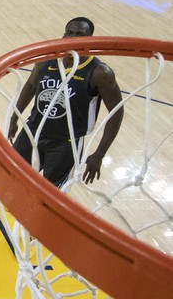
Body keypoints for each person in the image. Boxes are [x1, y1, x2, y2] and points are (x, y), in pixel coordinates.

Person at [7, 17, 124, 187]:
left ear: (90, 39)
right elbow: (31, 86)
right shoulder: (46, 59)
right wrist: (14, 118)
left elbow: (117, 112)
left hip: (66, 143)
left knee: (50, 193)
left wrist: (99, 154)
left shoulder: (100, 72)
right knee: (11, 176)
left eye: (79, 34)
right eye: (69, 33)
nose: (72, 37)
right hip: (33, 130)